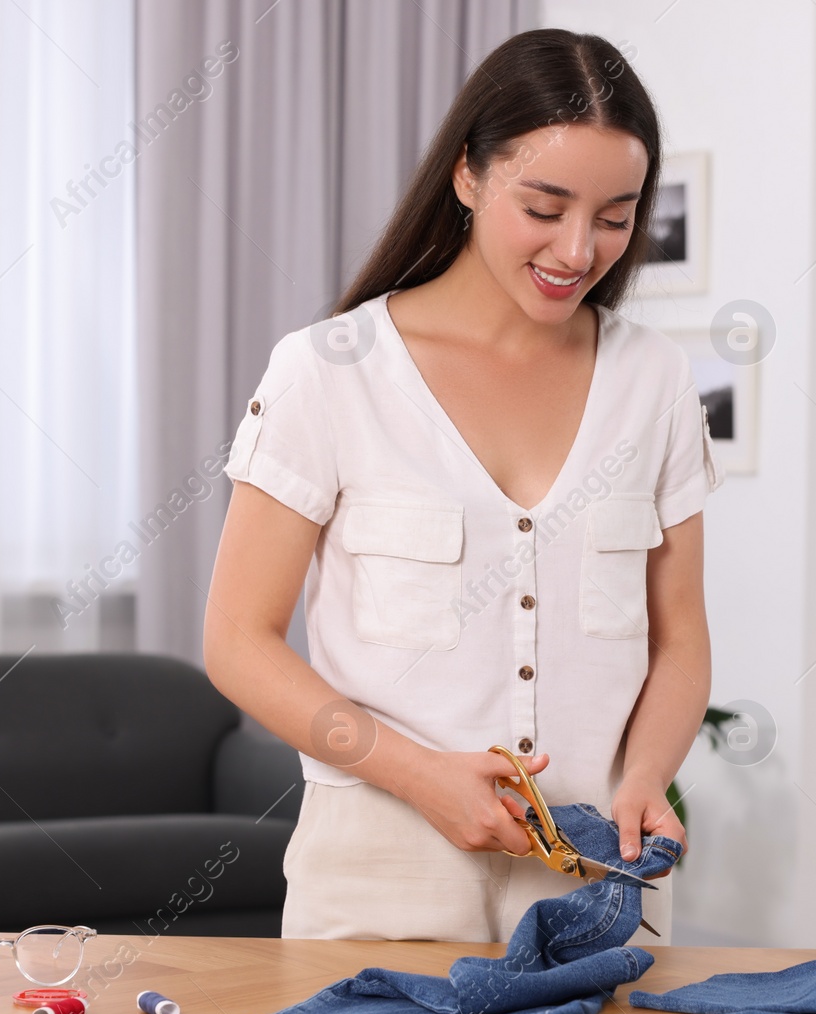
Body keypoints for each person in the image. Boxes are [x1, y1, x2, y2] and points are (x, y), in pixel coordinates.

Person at [202, 27, 722, 944]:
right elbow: (238, 642)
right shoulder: (330, 370)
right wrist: (417, 774)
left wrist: (645, 779)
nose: (577, 248)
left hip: (595, 873)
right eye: (545, 205)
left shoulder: (656, 380)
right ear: (468, 177)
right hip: (379, 866)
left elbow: (679, 636)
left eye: (614, 214)